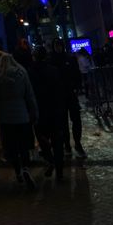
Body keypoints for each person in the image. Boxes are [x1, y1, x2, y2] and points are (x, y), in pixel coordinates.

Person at [0, 52, 38, 189]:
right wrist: (34, 112)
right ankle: (26, 168)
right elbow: (29, 95)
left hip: (5, 117)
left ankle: (17, 172)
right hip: (22, 115)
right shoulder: (21, 73)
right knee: (23, 146)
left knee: (12, 147)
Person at [31, 46, 66, 181]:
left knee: (42, 139)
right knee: (57, 142)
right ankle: (59, 170)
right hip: (54, 110)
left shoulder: (31, 72)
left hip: (40, 111)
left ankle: (49, 160)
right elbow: (59, 91)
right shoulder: (53, 71)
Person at [48, 38, 86, 158]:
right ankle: (68, 145)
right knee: (63, 122)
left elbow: (77, 74)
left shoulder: (69, 58)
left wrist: (76, 86)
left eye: (59, 45)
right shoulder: (52, 60)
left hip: (69, 93)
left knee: (75, 120)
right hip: (60, 96)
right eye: (56, 46)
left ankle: (77, 143)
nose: (58, 48)